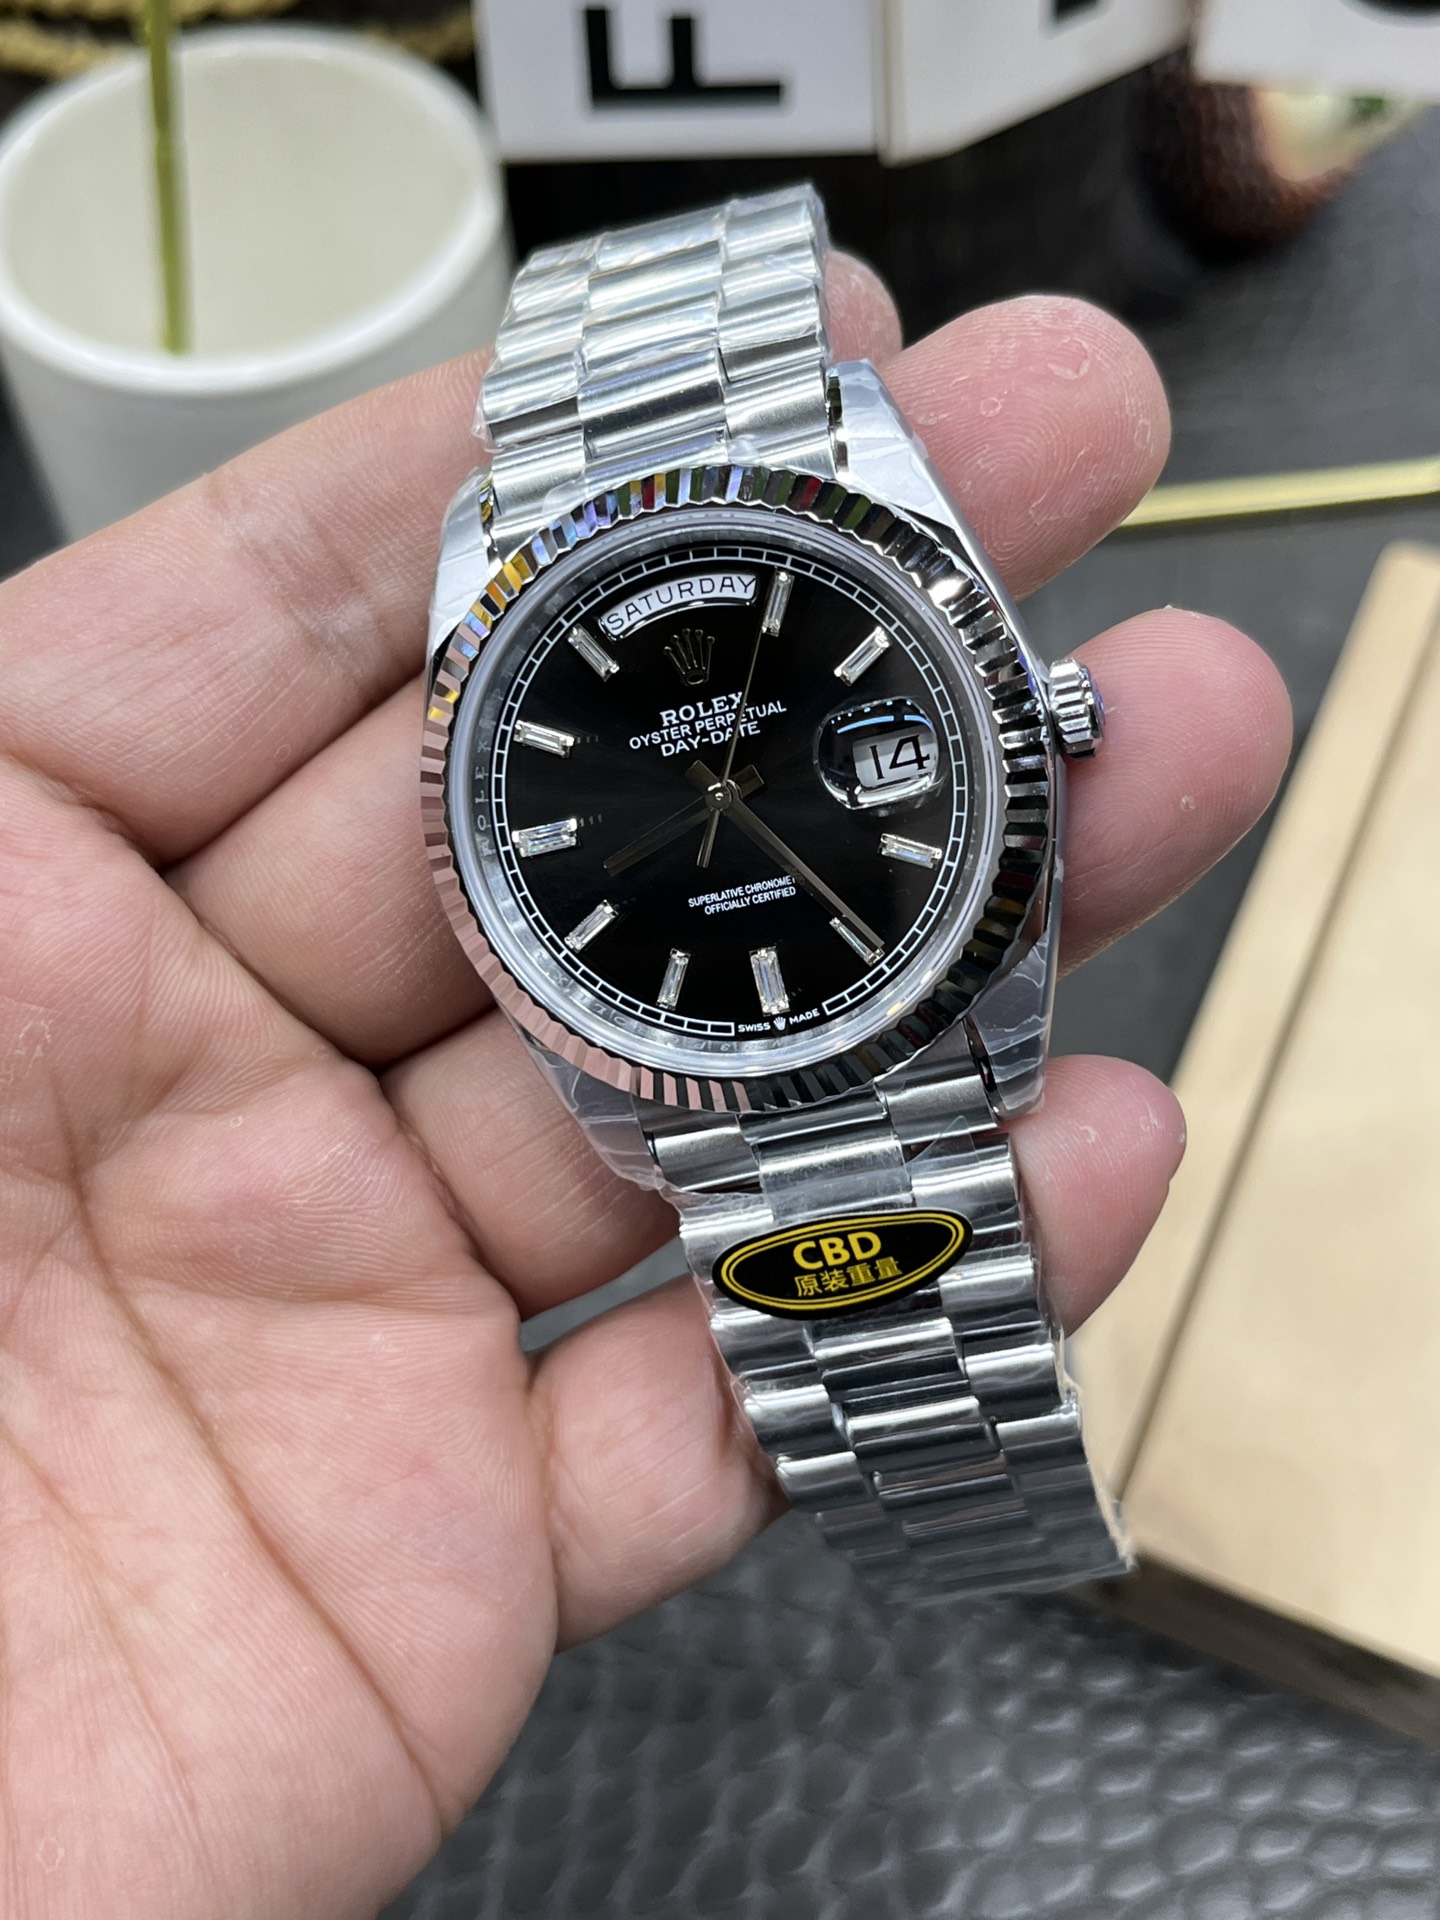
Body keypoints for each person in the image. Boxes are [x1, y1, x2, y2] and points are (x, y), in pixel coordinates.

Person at [0, 265, 1291, 1919]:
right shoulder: (518, 825)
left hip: (861, 998)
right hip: (708, 1047)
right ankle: (978, 1535)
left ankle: (987, 1528)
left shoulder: (850, 524)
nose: (722, 790)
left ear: (1042, 726)